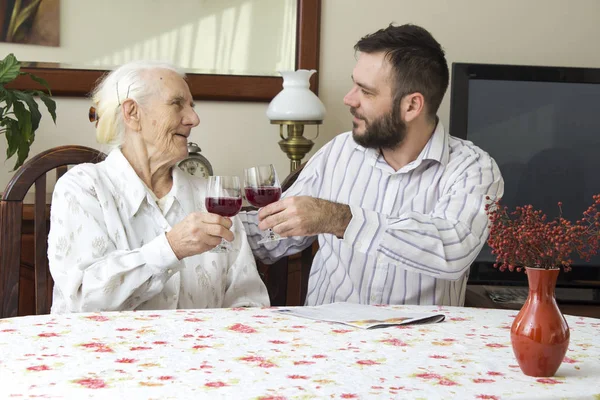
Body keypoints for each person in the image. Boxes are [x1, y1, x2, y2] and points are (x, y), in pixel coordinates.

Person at [241, 24, 504, 307]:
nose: (348, 99)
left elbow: (453, 250)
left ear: (412, 106)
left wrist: (341, 219)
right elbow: (272, 236)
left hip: (422, 344)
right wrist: (205, 227)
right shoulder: (338, 152)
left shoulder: (473, 168)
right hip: (327, 341)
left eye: (365, 91)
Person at [48, 61, 269, 313]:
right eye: (177, 104)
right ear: (132, 113)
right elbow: (83, 298)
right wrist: (171, 247)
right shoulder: (83, 188)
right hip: (109, 351)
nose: (194, 119)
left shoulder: (211, 196)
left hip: (203, 351)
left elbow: (250, 300)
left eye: (192, 107)